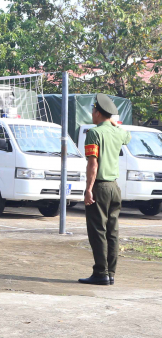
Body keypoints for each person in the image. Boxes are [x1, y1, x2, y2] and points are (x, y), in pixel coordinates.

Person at [79, 94, 131, 286]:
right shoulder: (117, 132)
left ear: (98, 113)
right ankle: (111, 274)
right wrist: (113, 122)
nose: (92, 114)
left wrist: (88, 189)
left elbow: (93, 164)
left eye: (93, 111)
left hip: (100, 187)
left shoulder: (94, 133)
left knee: (97, 231)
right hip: (114, 188)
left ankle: (101, 273)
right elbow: (128, 135)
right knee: (112, 231)